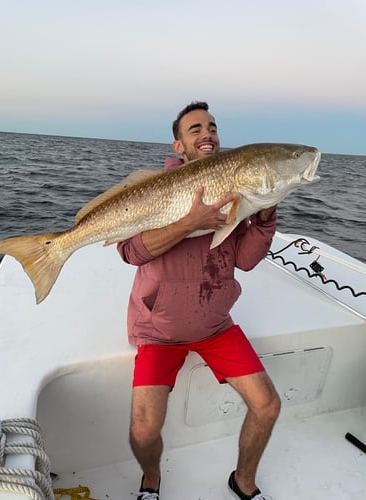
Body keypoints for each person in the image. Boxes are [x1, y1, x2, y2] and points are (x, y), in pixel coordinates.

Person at [117, 102, 281, 500]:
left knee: (268, 404)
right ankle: (152, 479)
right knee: (142, 428)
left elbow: (244, 260)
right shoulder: (158, 189)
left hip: (214, 325)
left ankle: (243, 482)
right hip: (158, 328)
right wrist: (188, 223)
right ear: (179, 144)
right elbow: (129, 252)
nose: (206, 133)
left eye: (212, 127)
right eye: (195, 129)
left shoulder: (233, 189)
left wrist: (264, 215)